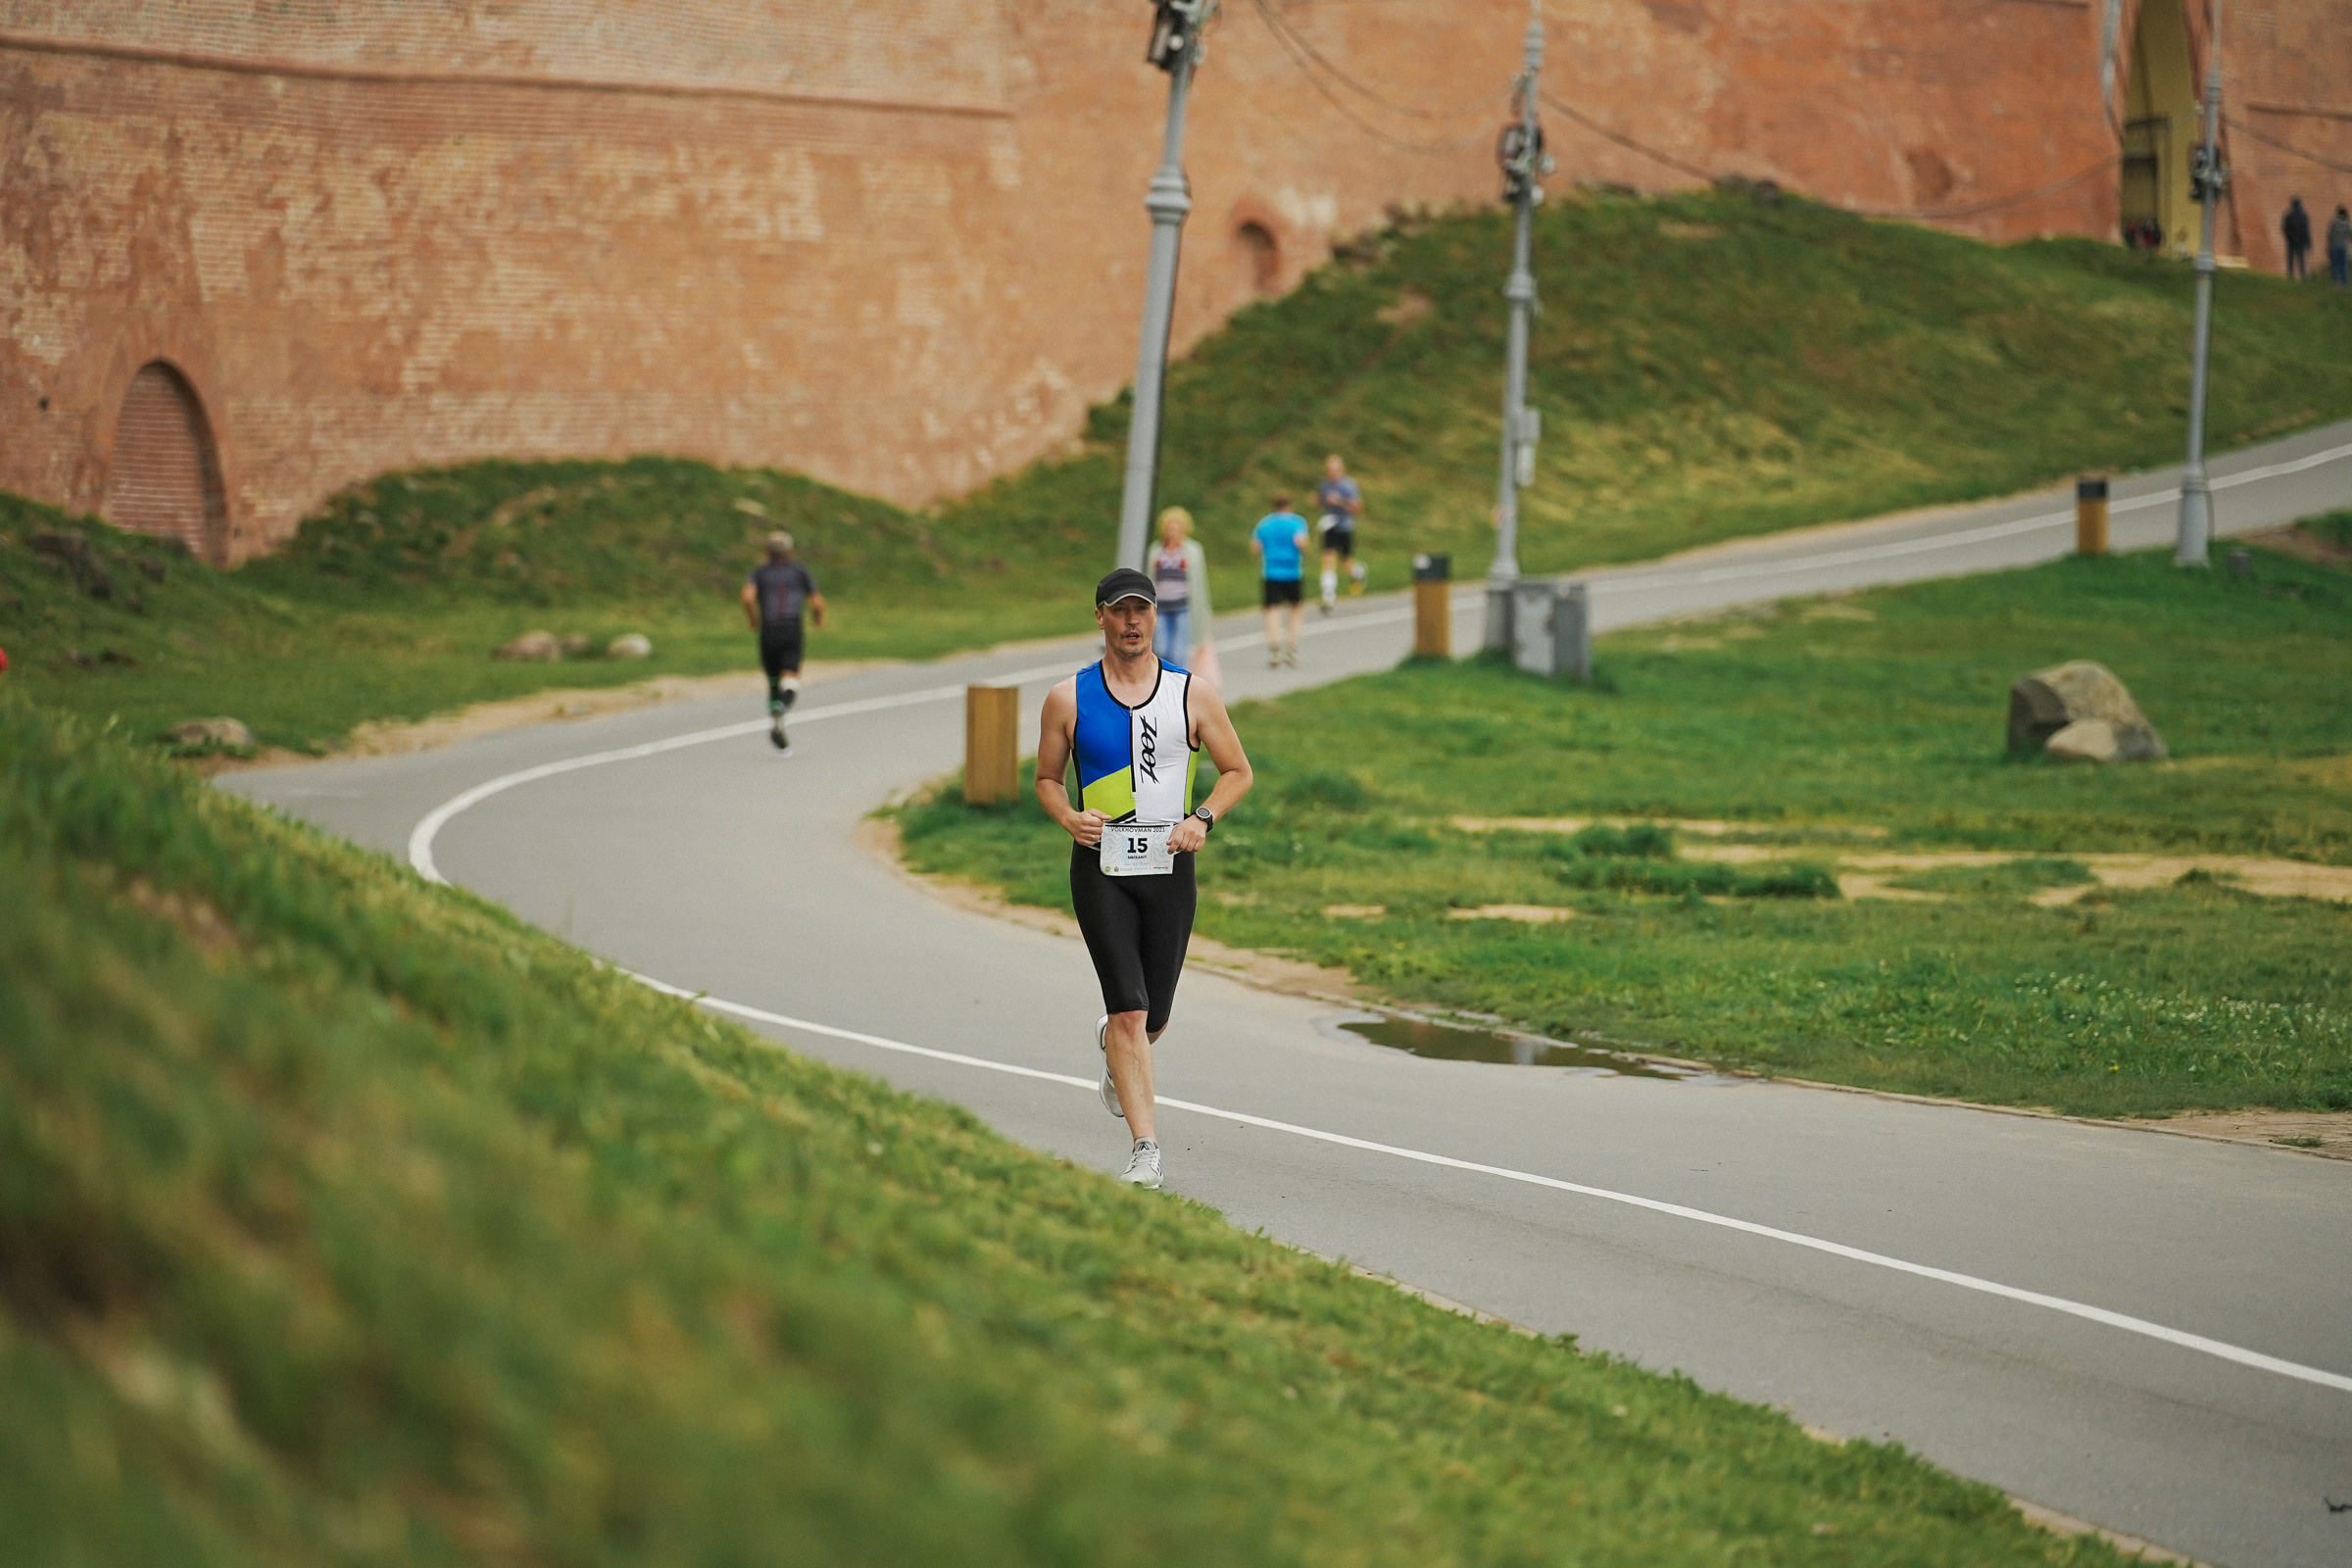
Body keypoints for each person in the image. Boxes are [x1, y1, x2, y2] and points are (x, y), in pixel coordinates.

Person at [1035, 567, 1253, 1190]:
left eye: (1143, 611)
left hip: (1170, 866)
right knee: (1130, 1010)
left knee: (1151, 1017)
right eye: (1120, 611)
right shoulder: (1068, 698)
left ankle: (1116, 1043)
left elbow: (1238, 771)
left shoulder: (1193, 694)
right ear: (1099, 618)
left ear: (1155, 618)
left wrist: (1202, 819)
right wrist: (1069, 818)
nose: (1132, 623)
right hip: (1101, 866)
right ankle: (1146, 1150)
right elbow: (1047, 779)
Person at [739, 530, 826, 753]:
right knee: (791, 677)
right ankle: (783, 707)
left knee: (773, 681)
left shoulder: (759, 573)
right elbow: (817, 603)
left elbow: (747, 597)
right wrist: (818, 619)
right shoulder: (799, 572)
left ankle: (776, 722)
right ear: (790, 551)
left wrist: (752, 619)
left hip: (768, 630)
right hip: (791, 628)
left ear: (767, 552)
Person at [1150, 506, 1221, 687]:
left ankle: (1177, 687)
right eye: (1169, 527)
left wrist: (1205, 611)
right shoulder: (1156, 550)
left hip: (1183, 608)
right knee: (1163, 648)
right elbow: (1149, 577)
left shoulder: (1192, 550)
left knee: (1179, 652)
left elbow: (1199, 583)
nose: (1172, 532)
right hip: (1161, 608)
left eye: (1176, 527)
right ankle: (1163, 684)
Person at [1250, 493, 1309, 667]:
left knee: (1272, 610)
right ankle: (1291, 648)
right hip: (1293, 571)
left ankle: (1274, 647)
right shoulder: (1297, 522)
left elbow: (1256, 547)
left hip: (1271, 571)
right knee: (1296, 609)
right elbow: (1302, 544)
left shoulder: (1265, 523)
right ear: (1290, 505)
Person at [1312, 454, 1366, 613]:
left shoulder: (1348, 486)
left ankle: (1358, 571)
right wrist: (1318, 501)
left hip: (1345, 527)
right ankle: (1328, 597)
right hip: (1329, 526)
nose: (1332, 472)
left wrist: (1340, 502)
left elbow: (1357, 508)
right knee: (1328, 559)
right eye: (1329, 470)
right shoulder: (1324, 485)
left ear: (1341, 470)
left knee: (1345, 563)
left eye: (1335, 469)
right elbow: (1320, 501)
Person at [2282, 197, 2312, 280]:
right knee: (2301, 259)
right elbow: (2306, 230)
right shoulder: (2304, 215)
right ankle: (2303, 275)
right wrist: (2308, 242)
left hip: (2291, 241)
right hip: (2301, 241)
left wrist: (2288, 238)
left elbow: (2285, 228)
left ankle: (2290, 275)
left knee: (2290, 259)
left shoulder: (2288, 215)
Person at [2328, 205, 2352, 289]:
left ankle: (2336, 282)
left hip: (2334, 246)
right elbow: (2350, 235)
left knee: (2335, 264)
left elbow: (2330, 235)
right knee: (2343, 265)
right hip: (2344, 246)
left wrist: (2329, 244)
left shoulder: (2333, 222)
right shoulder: (2347, 223)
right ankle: (2344, 282)